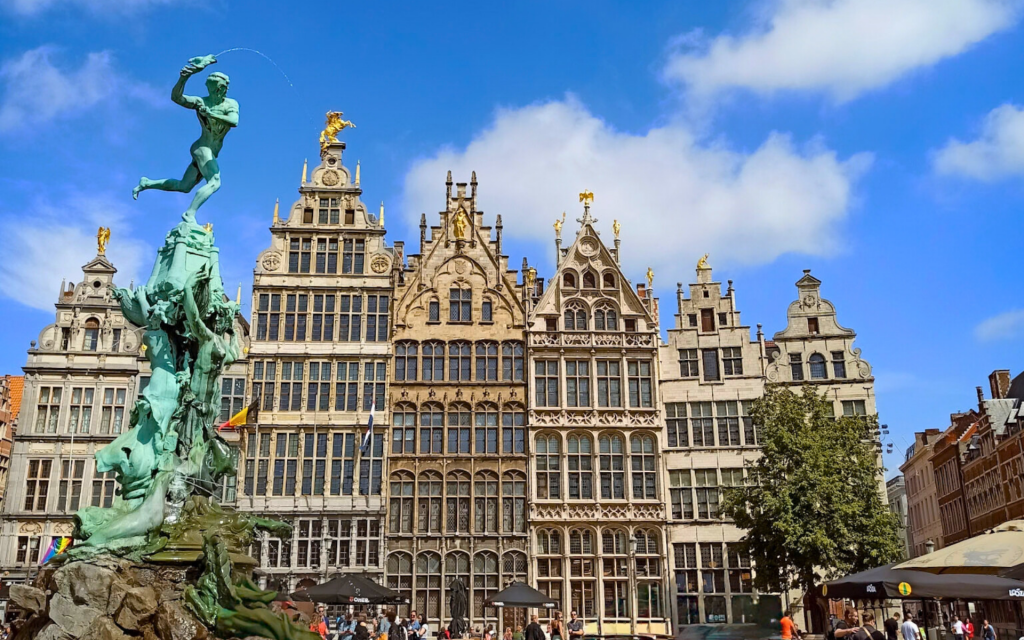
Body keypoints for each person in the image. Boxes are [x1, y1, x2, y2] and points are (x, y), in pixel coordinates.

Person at [133, 55, 239, 223]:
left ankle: (147, 183)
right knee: (215, 181)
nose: (221, 92)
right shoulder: (200, 102)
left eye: (221, 88)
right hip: (202, 148)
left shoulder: (230, 104)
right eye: (217, 89)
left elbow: (234, 121)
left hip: (210, 151)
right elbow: (177, 98)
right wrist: (184, 77)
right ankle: (190, 213)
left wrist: (210, 113)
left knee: (184, 186)